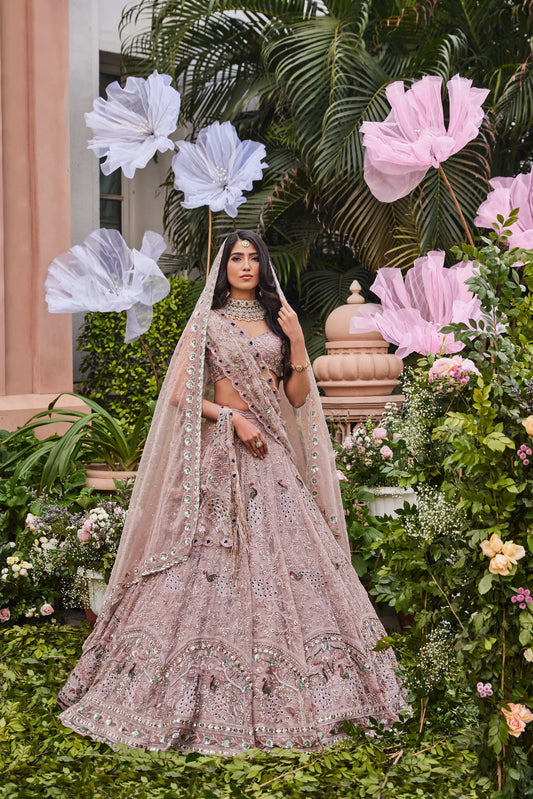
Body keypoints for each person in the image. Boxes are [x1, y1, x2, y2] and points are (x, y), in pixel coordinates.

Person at [57, 230, 405, 754]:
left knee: (295, 558)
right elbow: (180, 393)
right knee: (205, 560)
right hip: (225, 454)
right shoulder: (210, 321)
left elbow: (296, 397)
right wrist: (233, 419)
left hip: (272, 458)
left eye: (253, 258)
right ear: (224, 269)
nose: (245, 265)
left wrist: (298, 342)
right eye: (236, 258)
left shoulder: (278, 321)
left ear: (263, 267)